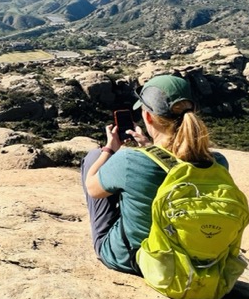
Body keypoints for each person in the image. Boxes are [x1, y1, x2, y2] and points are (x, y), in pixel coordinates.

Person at [80, 74, 228, 275]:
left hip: (136, 261)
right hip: (192, 261)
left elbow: (92, 187)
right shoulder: (217, 162)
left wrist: (109, 149)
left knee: (94, 157)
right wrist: (151, 148)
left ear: (148, 117)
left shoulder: (131, 161)